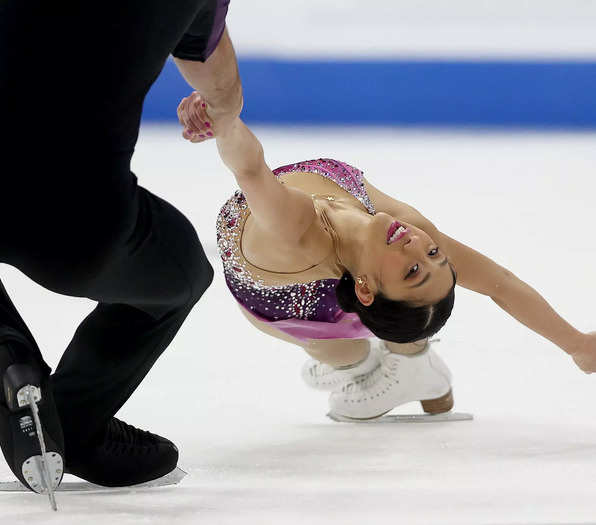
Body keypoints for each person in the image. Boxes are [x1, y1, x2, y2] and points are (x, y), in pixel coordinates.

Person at [0, 0, 241, 494]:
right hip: (82, 229)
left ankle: (1, 353)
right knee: (184, 274)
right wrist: (222, 108)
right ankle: (76, 420)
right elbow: (220, 88)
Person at [177, 91, 596, 420]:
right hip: (314, 293)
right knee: (370, 343)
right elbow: (499, 283)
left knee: (372, 337)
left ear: (364, 286)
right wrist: (576, 344)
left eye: (415, 269)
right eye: (435, 254)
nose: (421, 246)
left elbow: (250, 169)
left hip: (292, 304)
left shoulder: (298, 230)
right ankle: (392, 364)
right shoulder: (407, 230)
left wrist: (223, 115)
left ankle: (406, 364)